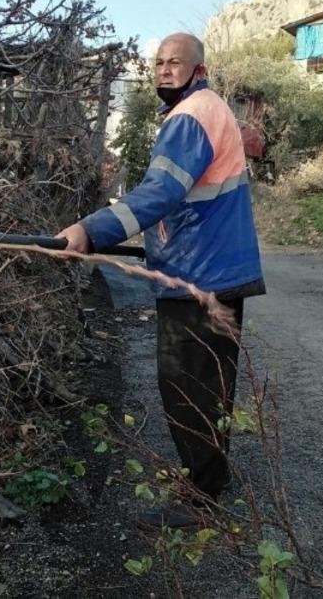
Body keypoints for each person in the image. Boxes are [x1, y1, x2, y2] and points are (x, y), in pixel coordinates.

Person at [57, 32, 265, 528]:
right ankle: (207, 479)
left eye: (176, 62)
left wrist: (91, 229)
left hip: (200, 277)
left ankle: (203, 500)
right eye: (159, 63)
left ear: (199, 70)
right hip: (210, 272)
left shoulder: (191, 116)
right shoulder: (205, 109)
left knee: (188, 388)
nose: (165, 70)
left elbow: (159, 195)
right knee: (207, 386)